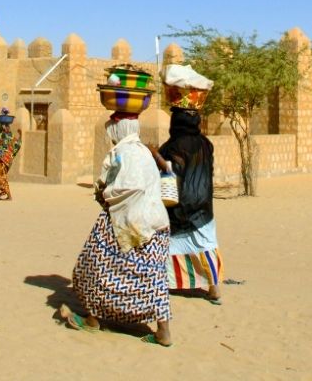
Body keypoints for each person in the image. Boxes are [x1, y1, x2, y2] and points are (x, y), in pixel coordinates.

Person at [58, 112, 173, 346]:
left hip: (128, 221)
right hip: (156, 223)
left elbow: (119, 187)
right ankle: (163, 331)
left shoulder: (121, 153)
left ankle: (92, 320)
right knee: (152, 277)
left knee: (93, 265)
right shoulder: (143, 150)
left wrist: (104, 194)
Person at [149, 108, 223, 304]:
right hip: (204, 203)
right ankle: (214, 287)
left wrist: (155, 155)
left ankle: (165, 282)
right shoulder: (205, 143)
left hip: (179, 205)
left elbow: (170, 170)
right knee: (206, 243)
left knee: (166, 243)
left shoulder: (174, 146)